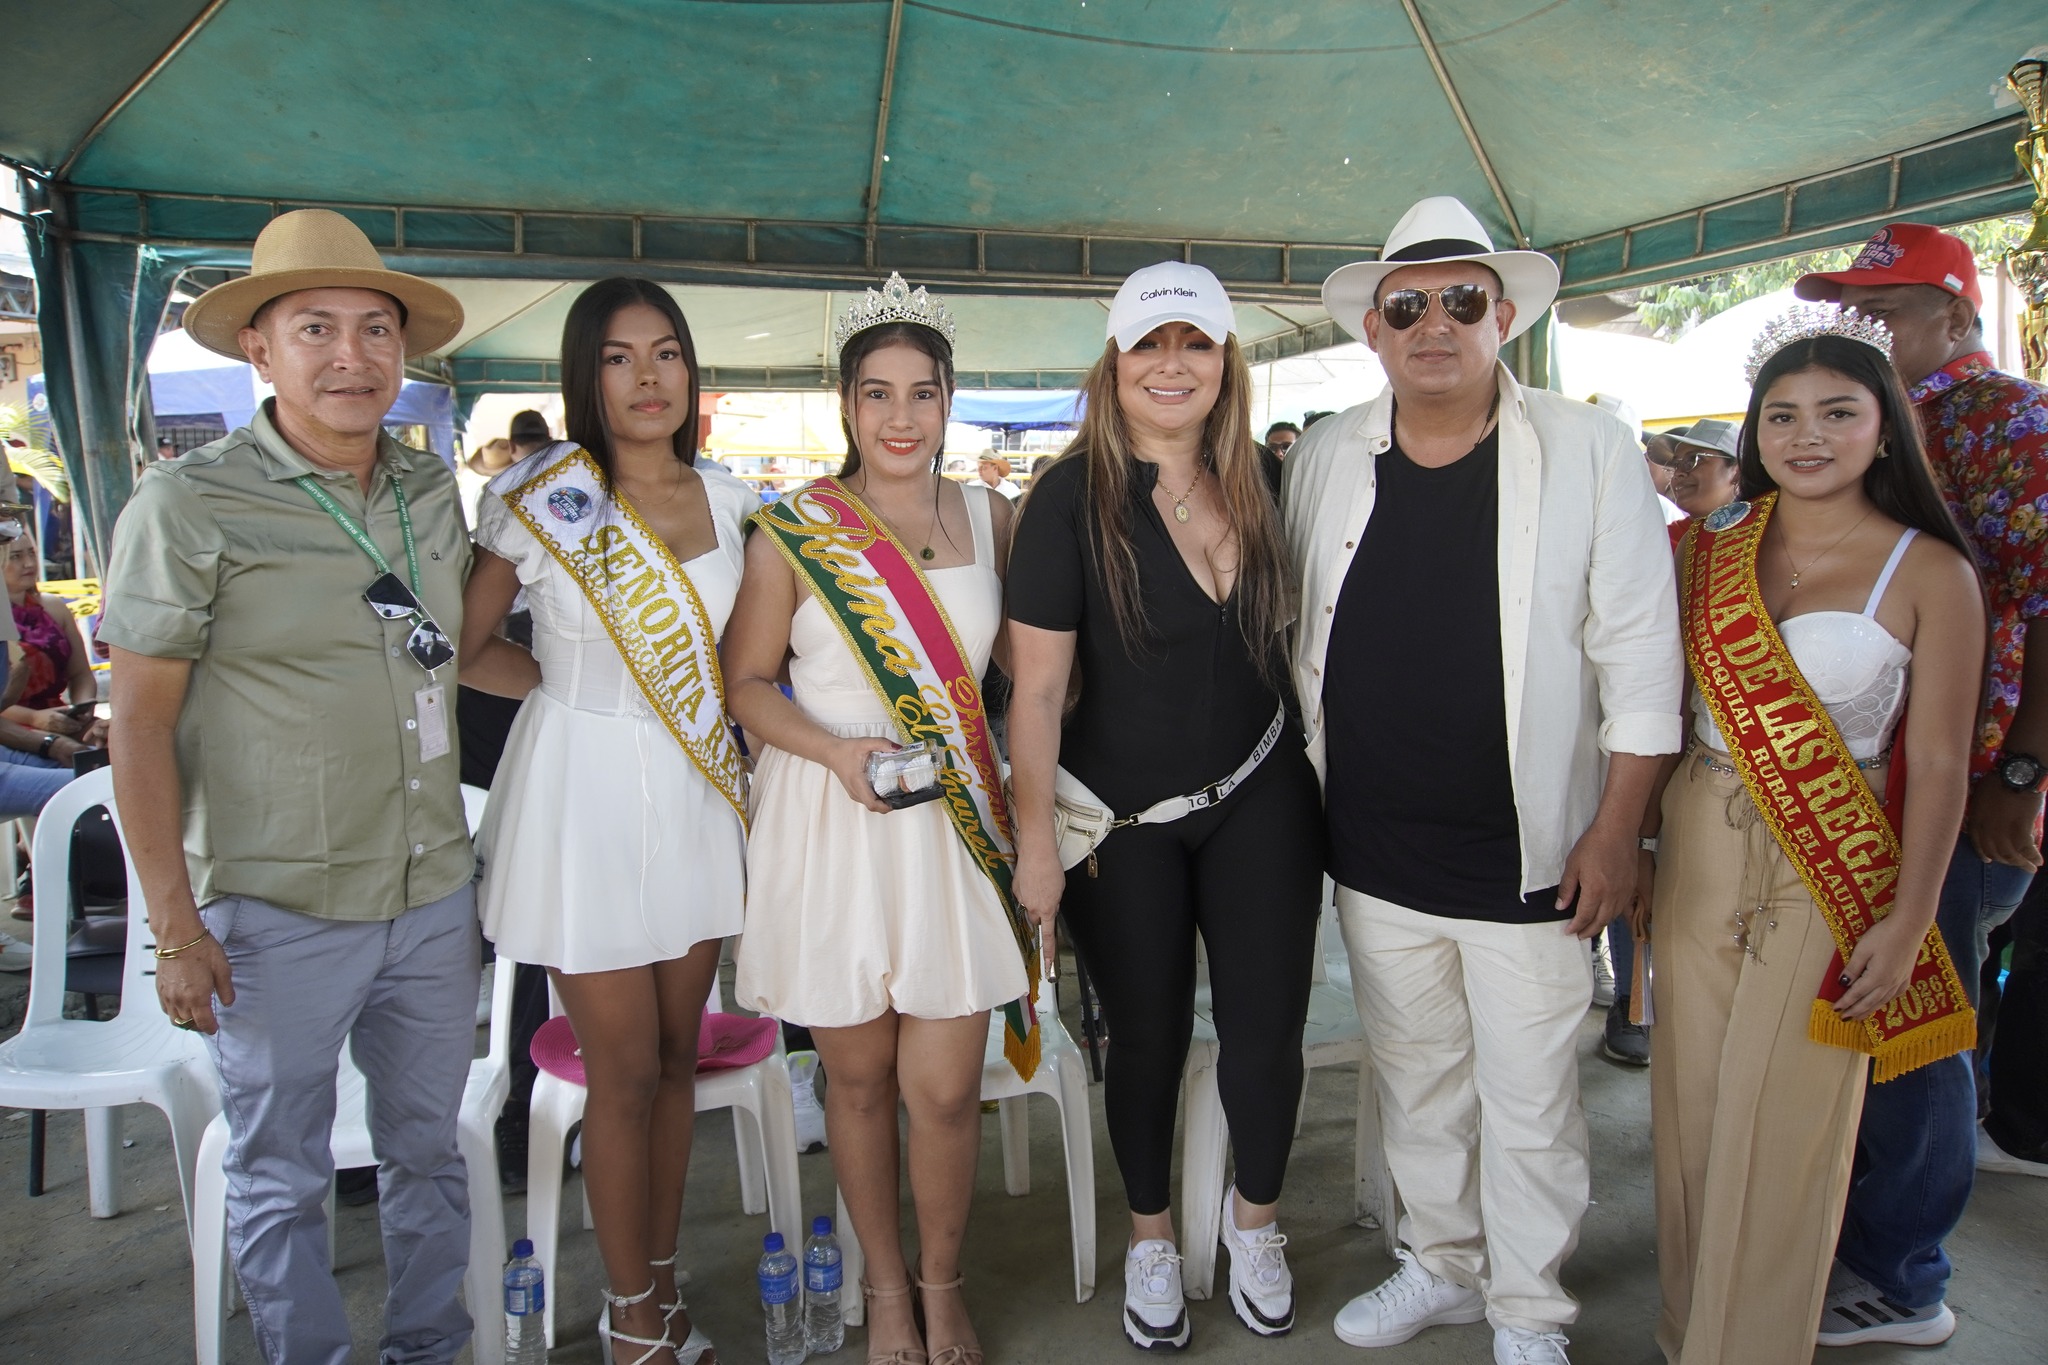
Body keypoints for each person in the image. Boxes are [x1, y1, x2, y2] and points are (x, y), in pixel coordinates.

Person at [1288, 196, 1682, 1365]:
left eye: (1461, 301)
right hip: (1372, 847)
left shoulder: (1587, 447)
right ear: (1371, 329)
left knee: (1530, 1101)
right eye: (1406, 305)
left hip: (1534, 850)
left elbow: (1639, 653)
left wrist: (1617, 828)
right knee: (1417, 1081)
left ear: (1501, 318)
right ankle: (1443, 1266)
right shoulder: (1326, 453)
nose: (1434, 325)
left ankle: (1527, 1310)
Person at [99, 208, 476, 1364]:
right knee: (281, 1172)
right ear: (259, 349)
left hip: (431, 892)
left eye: (376, 329)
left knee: (430, 1154)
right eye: (316, 328)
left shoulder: (428, 489)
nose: (351, 355)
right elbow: (138, 726)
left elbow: (453, 648)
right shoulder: (189, 503)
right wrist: (174, 927)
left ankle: (429, 1349)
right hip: (276, 909)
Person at [1645, 305, 1984, 1365]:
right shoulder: (1710, 547)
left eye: (1838, 412)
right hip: (1698, 832)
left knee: (1786, 1120)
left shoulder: (1931, 570)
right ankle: (1688, 1331)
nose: (1806, 435)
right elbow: (1653, 705)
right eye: (1781, 415)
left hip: (1832, 854)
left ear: (1884, 431)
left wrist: (1911, 917)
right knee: (1692, 1104)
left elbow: (1938, 763)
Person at [1007, 261, 1323, 1350]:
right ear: (1115, 361)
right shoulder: (1067, 499)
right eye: (1150, 342)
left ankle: (1255, 1222)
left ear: (1226, 360)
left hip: (1260, 792)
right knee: (1145, 1036)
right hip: (1122, 823)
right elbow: (1035, 692)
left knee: (1267, 1030)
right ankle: (1151, 1237)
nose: (1172, 363)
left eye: (1195, 341)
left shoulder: (1266, 480)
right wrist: (1035, 844)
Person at [729, 273, 1034, 1365]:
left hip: (952, 822)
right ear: (846, 404)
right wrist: (833, 751)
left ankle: (942, 1284)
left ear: (949, 400)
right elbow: (745, 684)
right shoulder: (794, 531)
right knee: (856, 1081)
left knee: (943, 1090)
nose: (901, 417)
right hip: (833, 815)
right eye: (877, 393)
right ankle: (886, 1289)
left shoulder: (994, 516)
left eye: (922, 393)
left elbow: (1031, 677)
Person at [460, 278, 749, 1365]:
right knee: (620, 1072)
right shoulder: (543, 497)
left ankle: (660, 1285)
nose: (646, 377)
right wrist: (564, 691)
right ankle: (629, 1317)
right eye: (619, 357)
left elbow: (742, 666)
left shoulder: (734, 504)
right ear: (587, 375)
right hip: (579, 792)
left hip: (692, 793)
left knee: (676, 1060)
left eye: (665, 352)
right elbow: (462, 646)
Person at [1793, 221, 2048, 1347]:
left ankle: (1903, 1279)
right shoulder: (1861, 416)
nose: (1865, 325)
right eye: (1852, 307)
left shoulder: (2008, 421)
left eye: (1887, 307)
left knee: (1918, 1030)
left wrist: (2019, 775)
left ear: (1956, 313)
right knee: (1858, 1015)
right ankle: (1845, 1237)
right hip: (1846, 780)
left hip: (1959, 783)